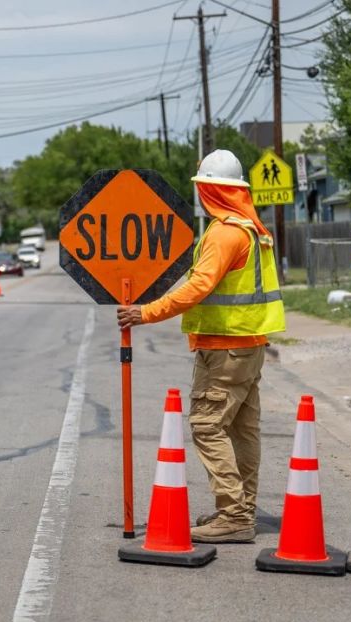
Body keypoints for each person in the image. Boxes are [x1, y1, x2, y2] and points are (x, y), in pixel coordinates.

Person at [117, 149, 286, 544]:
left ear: (211, 189)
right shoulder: (251, 229)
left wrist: (147, 313)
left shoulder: (225, 233)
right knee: (242, 430)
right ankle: (241, 509)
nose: (199, 195)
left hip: (226, 349)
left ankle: (234, 514)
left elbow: (199, 286)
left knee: (207, 426)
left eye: (201, 187)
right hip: (247, 345)